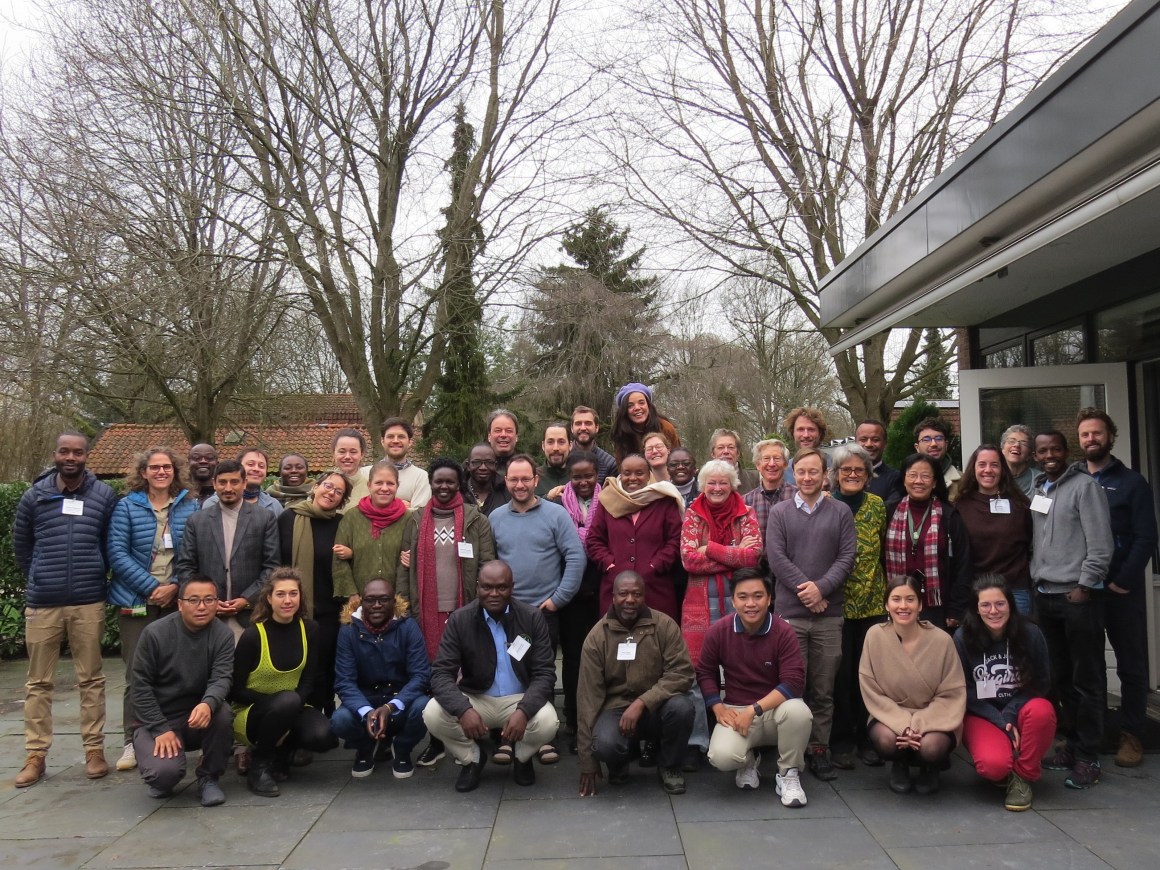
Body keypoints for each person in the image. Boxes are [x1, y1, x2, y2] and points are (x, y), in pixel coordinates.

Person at [13, 432, 118, 787]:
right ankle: (36, 755)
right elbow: (22, 546)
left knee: (91, 679)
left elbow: (109, 543)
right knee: (38, 683)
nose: (70, 457)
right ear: (55, 454)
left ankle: (94, 750)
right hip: (44, 602)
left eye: (77, 451)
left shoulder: (104, 495)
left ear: (87, 456)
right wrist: (40, 576)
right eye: (64, 451)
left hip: (88, 599)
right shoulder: (35, 496)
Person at [422, 561, 560, 792]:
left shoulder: (532, 617)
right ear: (477, 587)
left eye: (501, 587)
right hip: (477, 698)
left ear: (512, 587)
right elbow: (441, 674)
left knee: (548, 722)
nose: (494, 594)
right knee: (432, 713)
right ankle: (472, 759)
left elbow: (545, 673)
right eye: (487, 587)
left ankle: (522, 758)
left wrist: (524, 711)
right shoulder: (460, 619)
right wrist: (463, 709)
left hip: (519, 698)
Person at [766, 447, 856, 782]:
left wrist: (823, 589)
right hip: (791, 615)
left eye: (814, 472)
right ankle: (792, 753)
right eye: (801, 472)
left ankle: (819, 750)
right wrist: (809, 591)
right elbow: (776, 558)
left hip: (829, 616)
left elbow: (847, 557)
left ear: (825, 474)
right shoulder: (780, 513)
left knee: (823, 688)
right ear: (793, 474)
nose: (807, 478)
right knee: (792, 686)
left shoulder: (841, 512)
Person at [489, 453, 584, 764]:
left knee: (541, 674)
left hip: (544, 612)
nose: (520, 484)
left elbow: (575, 557)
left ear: (535, 480)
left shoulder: (556, 515)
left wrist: (559, 598)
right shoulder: (496, 518)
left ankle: (543, 737)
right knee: (509, 673)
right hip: (507, 613)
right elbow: (489, 565)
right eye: (513, 479)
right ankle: (507, 736)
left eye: (525, 479)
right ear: (506, 482)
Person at [1077, 408, 1158, 768]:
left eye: (1097, 433)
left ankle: (1131, 734)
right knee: (1087, 664)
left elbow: (1145, 537)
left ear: (1110, 437)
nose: (1091, 439)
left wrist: (1123, 581)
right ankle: (1087, 735)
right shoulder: (1072, 480)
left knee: (1131, 664)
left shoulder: (1132, 483)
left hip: (1121, 589)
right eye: (1085, 435)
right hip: (1082, 589)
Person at [108, 447, 198, 773]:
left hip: (176, 600)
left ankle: (178, 736)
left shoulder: (189, 506)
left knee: (180, 669)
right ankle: (132, 741)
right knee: (137, 674)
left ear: (175, 472)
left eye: (167, 467)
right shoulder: (127, 507)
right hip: (136, 601)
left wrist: (175, 585)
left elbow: (193, 551)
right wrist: (151, 588)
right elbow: (117, 553)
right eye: (154, 467)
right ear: (143, 472)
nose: (161, 472)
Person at [1032, 430, 1113, 789]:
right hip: (1045, 596)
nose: (1049, 455)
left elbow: (1101, 544)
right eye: (1042, 450)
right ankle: (1069, 745)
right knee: (1059, 678)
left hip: (1076, 598)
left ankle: (1089, 756)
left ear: (1066, 451)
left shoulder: (1085, 487)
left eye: (1055, 449)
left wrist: (1084, 586)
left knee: (1088, 679)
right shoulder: (1038, 488)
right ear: (1036, 456)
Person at [696, 569, 812, 807]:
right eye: (743, 596)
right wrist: (717, 707)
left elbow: (793, 682)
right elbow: (705, 671)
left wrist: (754, 709)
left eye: (758, 596)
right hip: (736, 710)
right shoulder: (719, 631)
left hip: (774, 710)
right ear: (733, 600)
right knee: (721, 757)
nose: (751, 603)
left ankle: (788, 773)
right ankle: (749, 761)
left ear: (769, 599)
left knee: (799, 712)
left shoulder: (783, 631)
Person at [577, 571, 695, 796]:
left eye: (636, 594)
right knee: (604, 743)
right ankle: (619, 763)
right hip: (615, 710)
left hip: (657, 706)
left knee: (682, 707)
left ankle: (669, 766)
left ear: (644, 596)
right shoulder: (596, 638)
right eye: (623, 594)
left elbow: (682, 673)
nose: (630, 600)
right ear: (613, 597)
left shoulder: (664, 626)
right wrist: (587, 762)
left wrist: (642, 702)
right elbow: (587, 700)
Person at [679, 459, 763, 767]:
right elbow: (688, 560)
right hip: (699, 607)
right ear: (702, 486)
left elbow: (753, 556)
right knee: (698, 672)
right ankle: (698, 740)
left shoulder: (746, 513)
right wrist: (732, 554)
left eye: (723, 483)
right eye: (711, 483)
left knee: (744, 667)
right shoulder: (692, 514)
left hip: (740, 602)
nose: (717, 488)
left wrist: (711, 549)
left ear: (733, 485)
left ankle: (747, 736)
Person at [230, 568, 337, 796]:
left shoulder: (310, 629)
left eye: (293, 593)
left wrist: (287, 714)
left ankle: (282, 754)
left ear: (300, 597)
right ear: (269, 598)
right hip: (252, 713)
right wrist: (278, 708)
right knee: (286, 701)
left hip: (293, 706)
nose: (288, 600)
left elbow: (310, 679)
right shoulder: (253, 636)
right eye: (280, 594)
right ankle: (259, 765)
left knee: (325, 736)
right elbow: (235, 690)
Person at [129, 577, 235, 807]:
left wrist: (208, 703)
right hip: (158, 718)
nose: (202, 606)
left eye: (209, 600)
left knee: (223, 712)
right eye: (193, 600)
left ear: (217, 603)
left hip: (196, 716)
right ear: (179, 604)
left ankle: (209, 777)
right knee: (164, 775)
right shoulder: (155, 634)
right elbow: (139, 686)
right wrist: (159, 728)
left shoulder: (222, 635)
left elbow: (222, 677)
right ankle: (157, 771)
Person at [954, 575, 1055, 812]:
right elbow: (962, 690)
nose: (993, 611)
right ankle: (1006, 767)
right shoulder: (962, 638)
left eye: (1000, 603)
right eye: (985, 605)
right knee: (993, 767)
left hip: (1021, 709)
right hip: (981, 712)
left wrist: (1010, 714)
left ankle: (1022, 776)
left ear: (1010, 604)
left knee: (1042, 711)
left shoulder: (1031, 633)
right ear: (976, 609)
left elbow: (1041, 683)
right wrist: (999, 720)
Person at [859, 574, 966, 795]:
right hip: (891, 715)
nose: (903, 606)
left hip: (935, 717)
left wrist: (919, 724)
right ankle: (900, 764)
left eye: (910, 599)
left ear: (920, 605)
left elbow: (952, 692)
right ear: (886, 605)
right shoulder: (874, 636)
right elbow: (872, 689)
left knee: (931, 747)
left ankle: (931, 767)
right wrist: (902, 724)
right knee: (888, 740)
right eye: (896, 599)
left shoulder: (942, 640)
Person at [825, 444, 888, 771]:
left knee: (870, 677)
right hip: (835, 605)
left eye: (858, 470)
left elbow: (884, 554)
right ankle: (841, 741)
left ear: (868, 475)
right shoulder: (826, 505)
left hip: (872, 604)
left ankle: (868, 739)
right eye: (845, 470)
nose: (851, 475)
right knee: (840, 677)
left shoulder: (878, 506)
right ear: (835, 476)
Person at [331, 577, 432, 779]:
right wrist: (367, 711)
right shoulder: (348, 630)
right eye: (370, 600)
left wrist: (391, 706)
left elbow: (421, 675)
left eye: (384, 599)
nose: (377, 605)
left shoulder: (408, 626)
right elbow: (344, 681)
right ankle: (366, 748)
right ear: (361, 601)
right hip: (366, 701)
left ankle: (402, 748)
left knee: (426, 707)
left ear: (393, 602)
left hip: (401, 702)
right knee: (339, 720)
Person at [175, 459, 281, 640]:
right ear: (214, 483)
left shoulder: (264, 518)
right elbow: (186, 567)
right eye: (222, 482)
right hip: (208, 615)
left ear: (244, 483)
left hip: (250, 614)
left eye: (234, 482)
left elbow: (271, 566)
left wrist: (247, 599)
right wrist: (207, 600)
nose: (228, 488)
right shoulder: (197, 521)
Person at [278, 470, 352, 713]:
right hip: (293, 608)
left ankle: (325, 715)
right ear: (316, 486)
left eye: (338, 492)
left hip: (329, 611)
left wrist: (351, 554)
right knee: (296, 666)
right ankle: (298, 716)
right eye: (328, 486)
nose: (331, 493)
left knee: (324, 667)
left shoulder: (342, 523)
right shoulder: (288, 518)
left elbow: (352, 562)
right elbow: (277, 561)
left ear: (342, 500)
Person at [586, 454, 684, 622]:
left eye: (639, 473)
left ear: (648, 475)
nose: (633, 478)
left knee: (657, 642)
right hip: (615, 590)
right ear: (620, 474)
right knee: (615, 643)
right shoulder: (608, 500)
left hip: (656, 589)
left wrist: (656, 565)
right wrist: (610, 564)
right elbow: (594, 540)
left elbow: (676, 540)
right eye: (627, 473)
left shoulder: (664, 500)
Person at [551, 451, 604, 753]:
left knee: (599, 657)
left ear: (597, 475)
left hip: (599, 590)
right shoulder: (557, 506)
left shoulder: (610, 502)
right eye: (577, 476)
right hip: (569, 592)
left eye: (588, 476)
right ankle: (572, 718)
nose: (583, 482)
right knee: (572, 658)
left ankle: (596, 716)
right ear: (568, 477)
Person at [883, 453, 971, 629]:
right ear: (904, 479)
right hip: (898, 605)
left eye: (925, 476)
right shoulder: (889, 511)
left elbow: (964, 563)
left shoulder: (949, 516)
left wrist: (956, 608)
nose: (919, 481)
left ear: (935, 482)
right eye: (913, 475)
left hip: (937, 606)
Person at [952, 445, 1033, 614]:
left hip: (1015, 590)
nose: (988, 470)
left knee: (1018, 640)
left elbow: (1032, 544)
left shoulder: (1020, 505)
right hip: (976, 591)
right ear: (973, 469)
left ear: (1002, 469)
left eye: (994, 465)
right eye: (982, 464)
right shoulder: (960, 506)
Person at [333, 460, 408, 600]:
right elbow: (339, 559)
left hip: (398, 600)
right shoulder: (352, 518)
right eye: (379, 483)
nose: (384, 488)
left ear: (397, 486)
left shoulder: (408, 519)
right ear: (369, 485)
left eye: (390, 483)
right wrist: (351, 593)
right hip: (359, 600)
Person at [741, 438, 796, 546]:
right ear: (757, 465)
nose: (771, 464)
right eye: (766, 459)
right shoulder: (746, 502)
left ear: (785, 464)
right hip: (757, 562)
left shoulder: (798, 497)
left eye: (777, 458)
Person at [610, 382, 680, 463]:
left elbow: (677, 459)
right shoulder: (621, 434)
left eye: (641, 403)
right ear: (624, 411)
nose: (637, 408)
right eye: (630, 405)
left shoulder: (665, 427)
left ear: (648, 405)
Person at [204, 448, 283, 516]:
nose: (256, 469)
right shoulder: (213, 503)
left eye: (261, 466)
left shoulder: (274, 506)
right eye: (250, 464)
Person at [374, 417, 432, 508]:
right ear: (382, 441)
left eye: (401, 436)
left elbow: (418, 515)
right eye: (390, 436)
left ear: (409, 442)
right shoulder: (366, 473)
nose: (396, 441)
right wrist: (400, 506)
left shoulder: (421, 477)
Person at [913, 417, 961, 499]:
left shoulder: (963, 481)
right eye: (926, 439)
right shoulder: (906, 480)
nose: (933, 444)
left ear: (946, 445)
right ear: (917, 447)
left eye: (939, 438)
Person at [856, 419, 903, 502]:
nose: (869, 444)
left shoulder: (896, 478)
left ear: (885, 444)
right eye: (863, 439)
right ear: (855, 443)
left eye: (875, 439)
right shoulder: (841, 476)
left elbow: (890, 509)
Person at [569, 405, 618, 484]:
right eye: (578, 423)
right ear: (571, 428)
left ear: (597, 428)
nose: (583, 428)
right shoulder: (563, 459)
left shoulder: (609, 464)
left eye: (588, 423)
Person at [782, 407, 828, 486]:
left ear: (820, 433)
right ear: (793, 433)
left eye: (811, 429)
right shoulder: (784, 471)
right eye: (800, 429)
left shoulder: (835, 466)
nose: (806, 435)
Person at [464, 442, 511, 516]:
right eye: (477, 462)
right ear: (468, 466)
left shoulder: (507, 493)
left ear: (495, 465)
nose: (483, 467)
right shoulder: (458, 492)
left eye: (489, 462)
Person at [333, 428, 370, 507]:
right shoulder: (323, 485)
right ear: (334, 453)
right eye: (342, 451)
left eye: (353, 452)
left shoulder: (370, 489)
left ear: (362, 454)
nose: (347, 456)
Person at [536, 421, 572, 495]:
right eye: (550, 442)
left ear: (570, 445)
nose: (556, 448)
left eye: (561, 442)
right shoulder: (532, 479)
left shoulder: (579, 478)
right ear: (543, 446)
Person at [1001, 424, 1037, 498]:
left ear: (1029, 454)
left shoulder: (1039, 479)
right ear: (1003, 449)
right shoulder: (993, 477)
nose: (1016, 445)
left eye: (1023, 443)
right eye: (1011, 441)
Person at [486, 408, 520, 478]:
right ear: (489, 436)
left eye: (509, 431)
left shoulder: (528, 468)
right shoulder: (475, 467)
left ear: (516, 436)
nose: (503, 435)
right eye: (498, 430)